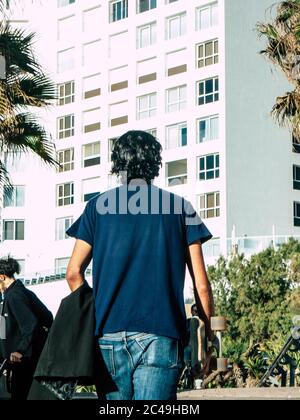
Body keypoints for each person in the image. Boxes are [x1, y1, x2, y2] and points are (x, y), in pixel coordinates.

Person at [66, 130, 215, 400]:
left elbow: (74, 273)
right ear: (155, 162)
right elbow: (201, 287)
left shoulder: (97, 207)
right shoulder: (181, 208)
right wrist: (205, 339)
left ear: (117, 163)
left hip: (108, 334)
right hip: (161, 334)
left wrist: (95, 313)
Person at [0, 257, 53, 400]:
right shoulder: (20, 293)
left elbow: (30, 324)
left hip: (24, 360)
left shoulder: (15, 295)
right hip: (21, 360)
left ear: (2, 277)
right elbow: (48, 318)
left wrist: (20, 350)